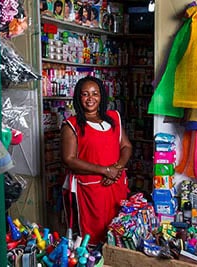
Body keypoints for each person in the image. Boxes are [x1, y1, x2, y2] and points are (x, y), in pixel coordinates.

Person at [60, 76, 133, 245]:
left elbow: (126, 146)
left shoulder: (114, 117)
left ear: (102, 96)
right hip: (90, 190)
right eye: (85, 94)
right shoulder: (71, 125)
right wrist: (105, 171)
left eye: (95, 93)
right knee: (92, 235)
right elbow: (69, 159)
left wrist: (117, 168)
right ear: (78, 97)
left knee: (117, 231)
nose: (90, 98)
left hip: (115, 184)